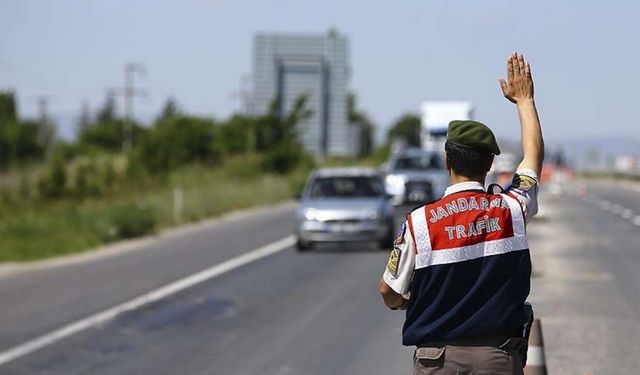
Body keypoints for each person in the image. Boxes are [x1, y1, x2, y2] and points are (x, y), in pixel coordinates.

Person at [379, 52, 544, 375]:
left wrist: (406, 303)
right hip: (499, 358)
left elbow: (388, 291)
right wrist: (524, 100)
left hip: (437, 362)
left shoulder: (419, 223)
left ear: (447, 161)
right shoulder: (512, 209)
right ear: (489, 165)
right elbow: (533, 158)